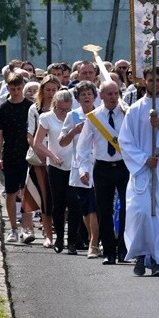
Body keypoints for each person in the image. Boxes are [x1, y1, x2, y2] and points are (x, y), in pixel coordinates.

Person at [117, 65, 159, 277]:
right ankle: (140, 254)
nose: (155, 83)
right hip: (142, 167)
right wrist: (144, 159)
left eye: (158, 79)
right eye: (150, 79)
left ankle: (158, 260)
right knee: (141, 211)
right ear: (143, 81)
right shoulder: (135, 110)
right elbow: (125, 141)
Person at [77, 79, 129, 265]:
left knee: (126, 209)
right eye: (109, 94)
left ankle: (123, 249)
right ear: (101, 96)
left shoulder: (126, 113)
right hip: (102, 167)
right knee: (104, 211)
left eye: (116, 93)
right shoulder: (94, 117)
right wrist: (83, 169)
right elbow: (83, 147)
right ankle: (109, 252)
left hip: (124, 166)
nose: (113, 97)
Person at [0, 70, 36, 244]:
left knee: (26, 193)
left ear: (23, 87)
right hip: (10, 153)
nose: (16, 92)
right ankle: (13, 228)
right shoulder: (3, 108)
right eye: (12, 88)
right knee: (10, 193)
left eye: (18, 88)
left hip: (27, 155)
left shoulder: (30, 107)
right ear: (8, 88)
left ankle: (27, 228)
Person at [58, 80, 100, 258]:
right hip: (80, 167)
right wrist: (74, 131)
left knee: (94, 206)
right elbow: (62, 141)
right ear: (78, 98)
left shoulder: (100, 114)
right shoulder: (73, 116)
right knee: (85, 208)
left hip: (98, 165)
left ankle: (94, 242)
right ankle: (92, 237)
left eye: (89, 93)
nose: (87, 96)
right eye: (83, 94)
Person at [32, 88, 74, 253]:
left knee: (74, 203)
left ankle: (72, 241)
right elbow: (38, 143)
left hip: (73, 164)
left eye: (67, 109)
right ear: (54, 106)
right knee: (58, 203)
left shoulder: (74, 116)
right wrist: (52, 156)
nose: (64, 112)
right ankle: (59, 238)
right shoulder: (46, 118)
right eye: (61, 109)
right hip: (56, 165)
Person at [25, 75, 59, 247]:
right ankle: (48, 235)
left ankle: (60, 233)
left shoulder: (64, 108)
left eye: (54, 90)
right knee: (45, 196)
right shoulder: (34, 109)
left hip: (61, 157)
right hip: (40, 158)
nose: (51, 93)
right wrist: (42, 152)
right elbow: (30, 136)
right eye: (48, 90)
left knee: (59, 197)